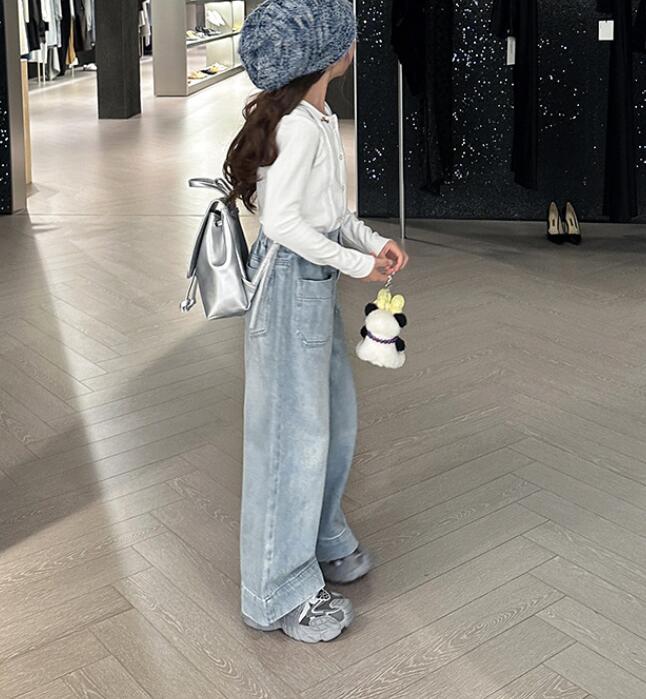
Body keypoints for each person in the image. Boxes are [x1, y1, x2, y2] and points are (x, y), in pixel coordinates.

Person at [224, 0, 409, 644]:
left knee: (332, 422)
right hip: (288, 287)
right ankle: (275, 592)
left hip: (314, 282)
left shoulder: (318, 117)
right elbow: (282, 224)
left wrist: (370, 243)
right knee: (291, 438)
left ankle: (322, 537)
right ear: (327, 54)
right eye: (346, 35)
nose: (354, 42)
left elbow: (329, 213)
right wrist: (355, 264)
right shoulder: (299, 128)